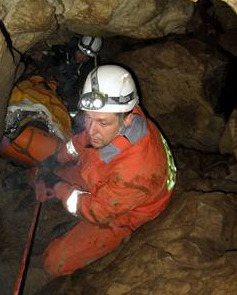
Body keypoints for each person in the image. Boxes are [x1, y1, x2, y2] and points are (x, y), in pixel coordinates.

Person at [36, 64, 177, 278]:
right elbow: (83, 140)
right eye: (88, 118)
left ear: (127, 119)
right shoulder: (121, 112)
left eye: (102, 122)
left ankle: (86, 230)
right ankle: (47, 186)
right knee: (51, 175)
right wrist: (58, 158)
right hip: (107, 170)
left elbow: (99, 211)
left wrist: (61, 190)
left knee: (53, 263)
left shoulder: (136, 173)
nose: (91, 130)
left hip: (127, 210)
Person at [24, 35, 103, 113]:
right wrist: (42, 58)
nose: (82, 57)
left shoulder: (89, 69)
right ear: (77, 47)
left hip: (63, 97)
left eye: (87, 56)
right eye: (80, 52)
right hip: (46, 85)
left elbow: (83, 90)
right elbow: (52, 59)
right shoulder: (65, 51)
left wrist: (66, 102)